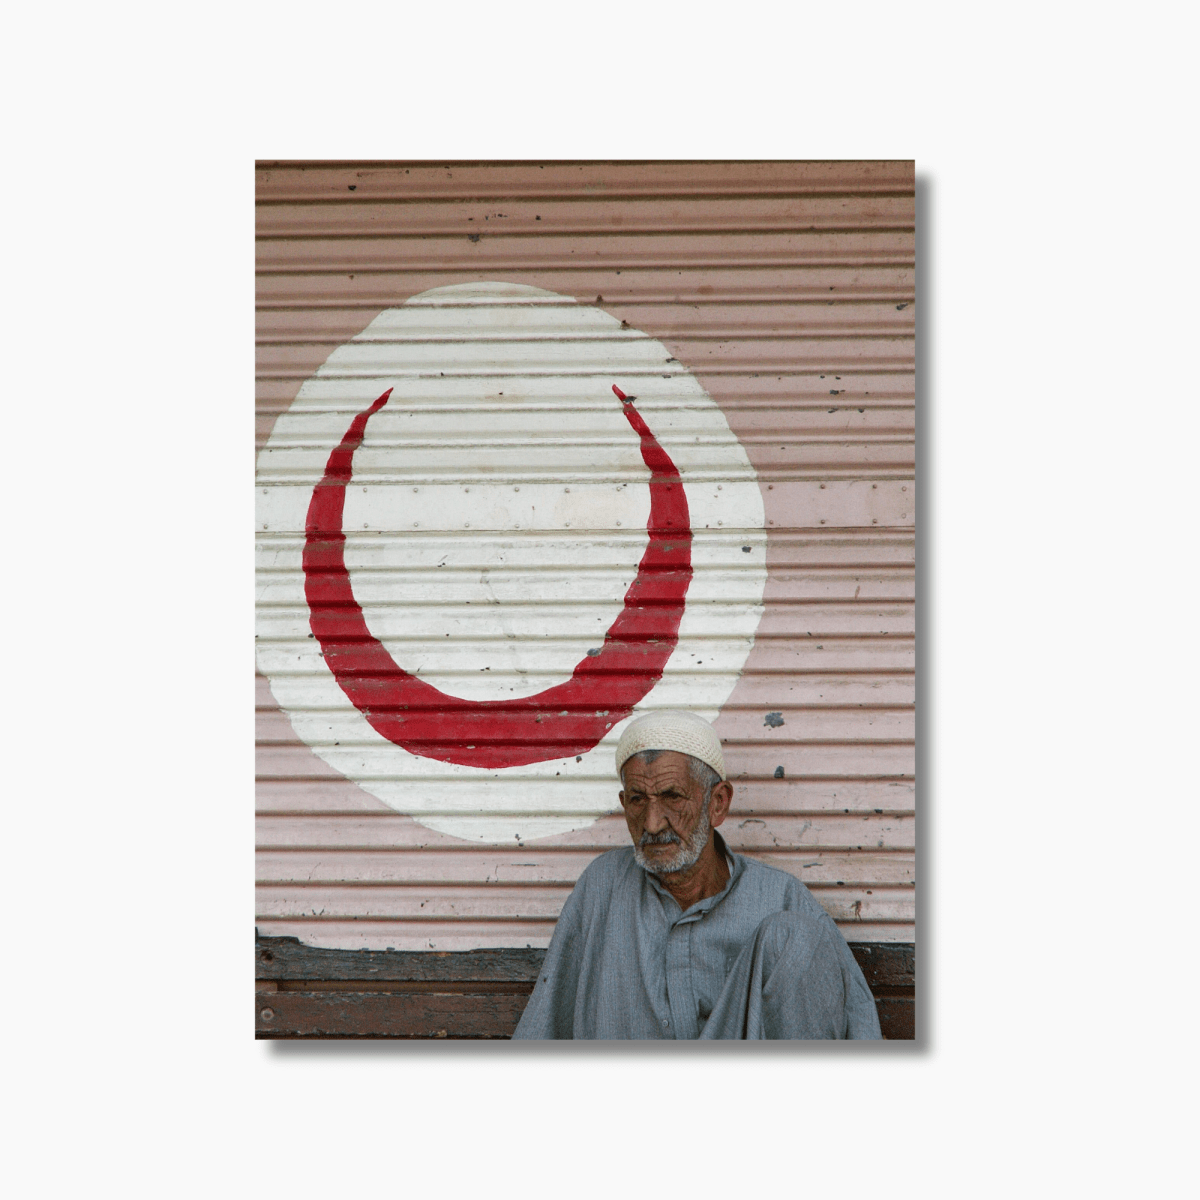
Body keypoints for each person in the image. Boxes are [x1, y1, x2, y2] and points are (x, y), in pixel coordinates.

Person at [512, 710, 882, 1040]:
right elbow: (545, 1025)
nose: (653, 825)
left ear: (717, 803)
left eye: (673, 797)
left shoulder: (778, 897)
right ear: (624, 806)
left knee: (794, 937)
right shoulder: (602, 886)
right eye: (639, 800)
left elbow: (858, 1027)